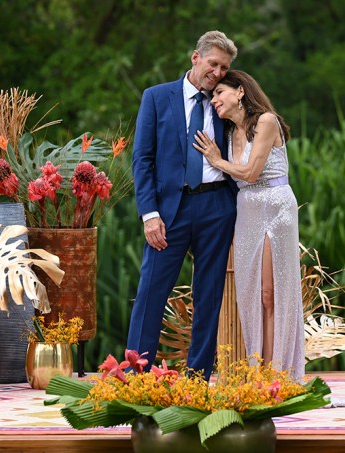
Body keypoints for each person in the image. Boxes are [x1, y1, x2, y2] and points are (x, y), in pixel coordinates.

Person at [127, 31, 239, 380]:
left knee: (208, 296)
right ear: (195, 58)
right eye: (213, 64)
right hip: (169, 211)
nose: (218, 73)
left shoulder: (224, 102)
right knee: (151, 292)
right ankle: (137, 376)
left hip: (218, 206)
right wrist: (149, 214)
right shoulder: (157, 97)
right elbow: (142, 160)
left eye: (224, 67)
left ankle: (198, 378)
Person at [194, 69, 305, 381]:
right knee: (252, 294)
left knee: (270, 293)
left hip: (275, 205)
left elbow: (253, 172)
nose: (214, 99)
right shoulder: (229, 133)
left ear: (240, 91)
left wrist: (217, 161)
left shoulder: (266, 121)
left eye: (219, 93)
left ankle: (275, 374)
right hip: (247, 211)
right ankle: (260, 371)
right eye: (212, 95)